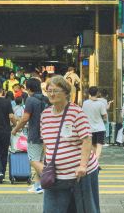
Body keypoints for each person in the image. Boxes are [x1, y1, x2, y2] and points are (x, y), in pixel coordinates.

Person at [41, 75, 100, 212]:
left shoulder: (76, 113)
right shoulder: (45, 115)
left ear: (66, 93)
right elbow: (46, 143)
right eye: (49, 90)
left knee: (85, 209)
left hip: (80, 175)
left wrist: (83, 166)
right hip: (56, 176)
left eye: (55, 91)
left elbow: (86, 139)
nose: (51, 94)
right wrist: (46, 163)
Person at [11, 77, 47, 193]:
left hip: (35, 134)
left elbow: (25, 118)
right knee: (39, 160)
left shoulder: (30, 100)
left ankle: (50, 180)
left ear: (29, 88)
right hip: (46, 134)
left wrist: (15, 129)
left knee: (33, 160)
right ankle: (37, 185)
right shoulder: (46, 99)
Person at [82, 86, 108, 163]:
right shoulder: (101, 104)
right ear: (97, 93)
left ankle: (94, 161)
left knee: (93, 145)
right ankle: (96, 161)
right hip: (100, 128)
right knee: (99, 145)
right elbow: (105, 115)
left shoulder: (85, 103)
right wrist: (105, 120)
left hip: (89, 128)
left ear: (89, 93)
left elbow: (83, 114)